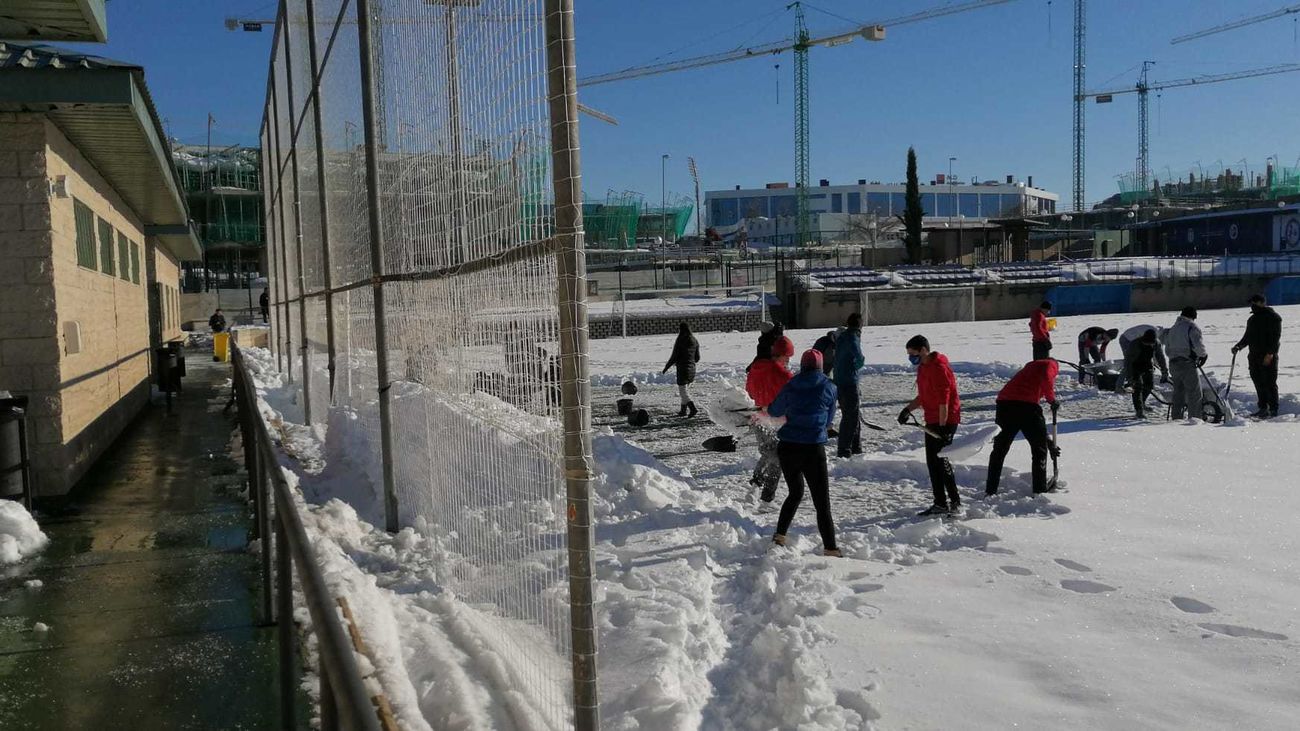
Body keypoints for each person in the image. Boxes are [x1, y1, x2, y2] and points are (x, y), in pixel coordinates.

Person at [768, 349, 840, 557]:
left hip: (788, 447)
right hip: (812, 449)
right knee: (821, 502)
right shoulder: (829, 387)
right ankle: (830, 548)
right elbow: (828, 420)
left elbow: (774, 411)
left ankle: (780, 535)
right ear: (820, 366)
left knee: (795, 492)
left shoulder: (791, 385)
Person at [897, 335, 962, 516]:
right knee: (933, 463)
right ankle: (940, 503)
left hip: (946, 420)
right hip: (932, 419)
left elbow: (944, 401)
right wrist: (907, 409)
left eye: (913, 354)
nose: (911, 358)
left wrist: (942, 428)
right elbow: (924, 396)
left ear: (923, 350)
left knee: (942, 461)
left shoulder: (939, 368)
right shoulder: (923, 368)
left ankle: (956, 502)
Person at [985, 359, 1060, 496]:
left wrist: (1048, 442)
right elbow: (1047, 379)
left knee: (999, 450)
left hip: (1005, 405)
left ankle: (990, 490)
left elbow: (1038, 428)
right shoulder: (1050, 365)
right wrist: (1052, 400)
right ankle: (1039, 490)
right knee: (1039, 451)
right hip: (1027, 407)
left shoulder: (1029, 368)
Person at [746, 335, 794, 505]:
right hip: (775, 422)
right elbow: (793, 396)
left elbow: (748, 393)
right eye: (788, 356)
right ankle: (767, 498)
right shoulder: (783, 374)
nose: (788, 360)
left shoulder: (755, 368)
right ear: (781, 354)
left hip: (757, 419)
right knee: (778, 457)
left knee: (768, 452)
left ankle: (755, 484)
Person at [1232, 294, 1282, 418]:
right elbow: (1247, 337)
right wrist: (1239, 346)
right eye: (1251, 303)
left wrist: (1270, 354)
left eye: (1255, 303)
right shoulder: (1252, 319)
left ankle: (1274, 409)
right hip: (1254, 356)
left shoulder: (1273, 317)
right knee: (1258, 382)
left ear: (1262, 303)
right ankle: (1263, 407)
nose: (1252, 306)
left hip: (1268, 356)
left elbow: (1275, 339)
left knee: (1269, 383)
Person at [1163, 306, 1207, 420]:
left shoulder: (1173, 328)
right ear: (1193, 316)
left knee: (1178, 392)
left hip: (1173, 363)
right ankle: (1195, 419)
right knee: (1194, 393)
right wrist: (1203, 355)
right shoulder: (1191, 327)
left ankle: (1176, 417)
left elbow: (1167, 348)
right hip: (1186, 363)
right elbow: (1198, 344)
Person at [832, 313, 865, 458]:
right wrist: (856, 368)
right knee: (850, 417)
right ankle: (844, 449)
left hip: (839, 380)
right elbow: (859, 358)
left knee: (852, 415)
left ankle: (856, 446)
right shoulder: (852, 337)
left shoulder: (842, 336)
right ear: (860, 325)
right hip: (849, 382)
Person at [662, 322, 701, 417]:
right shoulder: (694, 340)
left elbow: (674, 356)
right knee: (684, 390)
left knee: (683, 392)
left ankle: (693, 409)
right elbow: (697, 358)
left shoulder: (680, 340)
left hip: (683, 369)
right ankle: (683, 411)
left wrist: (666, 367)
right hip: (692, 369)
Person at [1116, 323, 1168, 391]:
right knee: (1130, 362)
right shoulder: (1154, 333)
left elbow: (1157, 354)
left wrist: (1161, 367)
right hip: (1127, 340)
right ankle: (1120, 386)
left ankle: (1142, 383)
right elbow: (1154, 353)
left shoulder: (1155, 333)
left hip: (1131, 339)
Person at [1127, 329, 1159, 419]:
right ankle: (1139, 411)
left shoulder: (1156, 343)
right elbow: (1128, 361)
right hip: (1135, 366)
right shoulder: (1134, 344)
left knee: (1149, 385)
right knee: (1137, 388)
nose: (1148, 345)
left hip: (1147, 365)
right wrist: (1130, 376)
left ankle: (1142, 403)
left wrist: (1164, 370)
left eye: (1150, 344)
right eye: (1147, 343)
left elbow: (1160, 356)